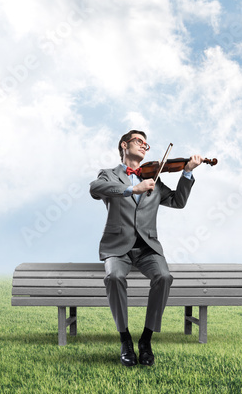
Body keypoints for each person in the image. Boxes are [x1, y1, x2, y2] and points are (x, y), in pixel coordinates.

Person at [89, 129, 201, 367]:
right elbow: (95, 189)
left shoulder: (155, 180)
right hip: (117, 246)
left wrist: (187, 173)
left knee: (164, 276)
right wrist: (132, 189)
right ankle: (125, 339)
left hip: (148, 247)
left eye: (146, 144)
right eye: (139, 141)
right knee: (114, 277)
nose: (144, 146)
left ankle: (146, 339)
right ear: (124, 145)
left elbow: (178, 202)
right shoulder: (109, 175)